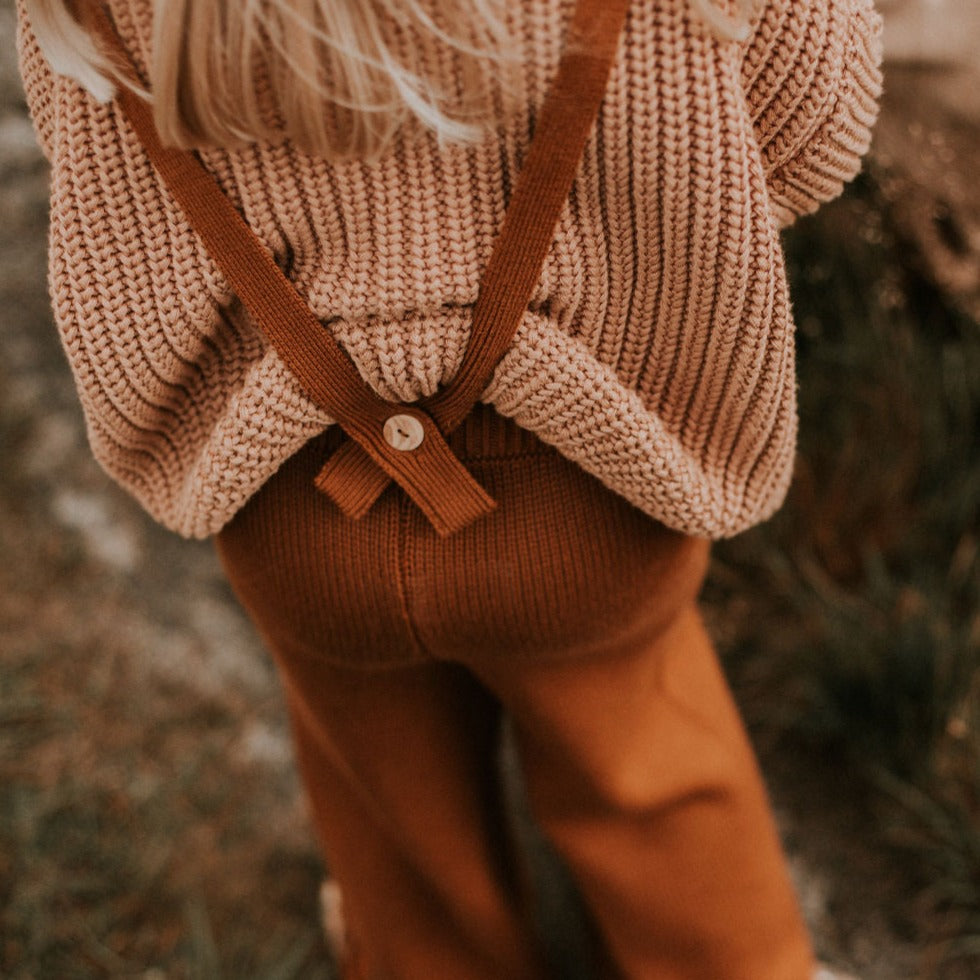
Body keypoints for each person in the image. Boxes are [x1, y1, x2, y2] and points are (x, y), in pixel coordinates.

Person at [15, 0, 884, 976]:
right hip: (591, 484)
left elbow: (98, 179)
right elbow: (815, 122)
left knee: (396, 809)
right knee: (648, 772)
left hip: (294, 505)